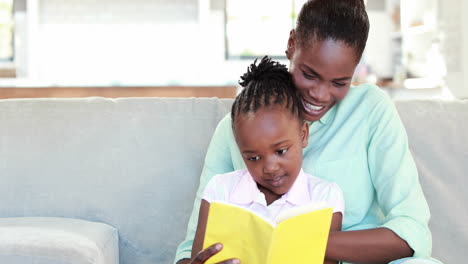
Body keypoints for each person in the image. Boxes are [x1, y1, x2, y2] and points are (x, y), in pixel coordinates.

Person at [176, 0, 440, 263]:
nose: (320, 95)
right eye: (310, 74)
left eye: (340, 82)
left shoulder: (372, 110)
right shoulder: (238, 127)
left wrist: (303, 240)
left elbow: (412, 231)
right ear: (292, 45)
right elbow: (190, 249)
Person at [191, 56, 344, 264]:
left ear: (303, 135)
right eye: (253, 157)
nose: (270, 168)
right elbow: (199, 258)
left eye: (281, 151)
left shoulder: (325, 197)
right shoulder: (220, 190)